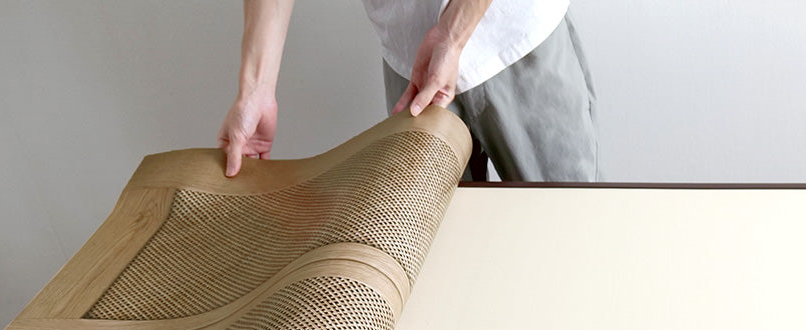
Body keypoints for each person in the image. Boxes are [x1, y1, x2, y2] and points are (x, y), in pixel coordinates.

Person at [218, 0, 598, 182]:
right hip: (411, 63)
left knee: (569, 233)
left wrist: (452, 34)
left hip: (516, 39)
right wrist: (256, 89)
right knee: (439, 259)